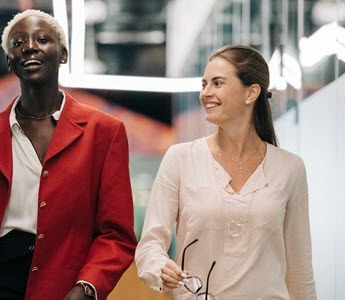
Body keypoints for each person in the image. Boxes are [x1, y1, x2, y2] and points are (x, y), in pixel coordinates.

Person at [0, 9, 137, 300]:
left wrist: (87, 287)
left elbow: (116, 235)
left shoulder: (104, 132)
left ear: (63, 55)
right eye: (17, 42)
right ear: (9, 62)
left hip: (68, 288)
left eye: (42, 39)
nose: (29, 46)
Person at [135, 45, 316, 299]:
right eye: (204, 84)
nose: (205, 93)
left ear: (251, 93)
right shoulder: (180, 158)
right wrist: (160, 267)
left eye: (217, 83)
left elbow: (299, 266)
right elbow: (150, 245)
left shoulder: (290, 168)